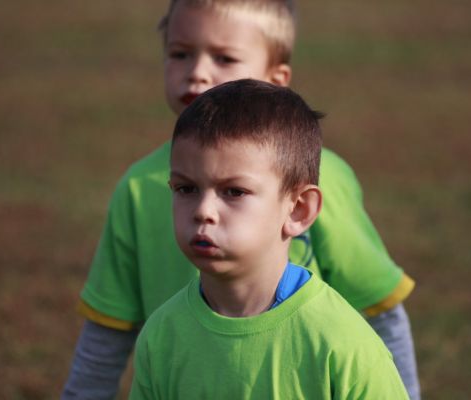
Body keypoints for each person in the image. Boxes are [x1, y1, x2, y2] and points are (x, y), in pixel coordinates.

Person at [62, 1, 420, 399]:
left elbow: (380, 313)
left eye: (224, 57)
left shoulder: (326, 180)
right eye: (180, 53)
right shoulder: (136, 189)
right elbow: (107, 334)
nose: (197, 72)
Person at [130, 78, 409, 399]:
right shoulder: (162, 334)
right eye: (186, 189)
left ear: (298, 210)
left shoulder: (341, 342)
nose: (203, 211)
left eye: (234, 191)